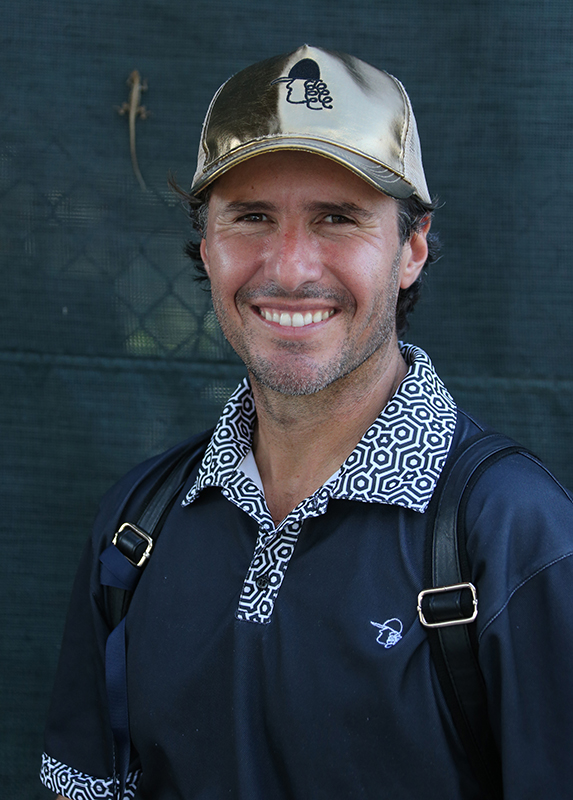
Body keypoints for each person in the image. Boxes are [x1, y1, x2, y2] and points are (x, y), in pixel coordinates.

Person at [40, 45, 573, 800]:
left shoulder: (516, 537)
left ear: (411, 249)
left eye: (338, 218)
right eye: (252, 217)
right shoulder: (137, 523)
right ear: (206, 246)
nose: (289, 267)